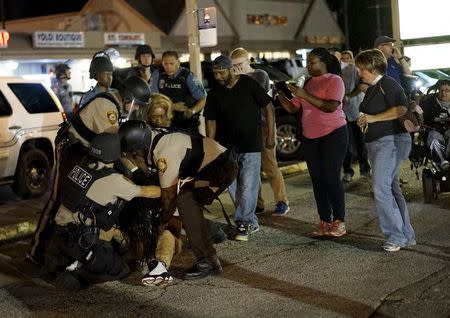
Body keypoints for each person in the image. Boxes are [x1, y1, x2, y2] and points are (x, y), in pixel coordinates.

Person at [29, 61, 123, 265]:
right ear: (95, 75)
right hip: (72, 150)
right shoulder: (98, 99)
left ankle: (75, 249)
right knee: (59, 197)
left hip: (86, 152)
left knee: (84, 199)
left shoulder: (111, 96)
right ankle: (38, 249)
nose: (108, 76)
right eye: (103, 73)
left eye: (110, 73)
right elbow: (110, 134)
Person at [119, 120, 238, 279]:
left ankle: (208, 260)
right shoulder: (154, 139)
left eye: (131, 156)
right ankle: (213, 231)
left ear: (137, 152)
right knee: (181, 201)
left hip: (221, 169)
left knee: (183, 200)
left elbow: (169, 197)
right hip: (211, 165)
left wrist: (162, 222)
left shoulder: (163, 153)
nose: (132, 162)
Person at [44, 132, 162, 290]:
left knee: (106, 231)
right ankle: (77, 272)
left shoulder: (81, 163)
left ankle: (63, 263)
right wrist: (167, 187)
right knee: (123, 269)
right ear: (115, 152)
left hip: (58, 234)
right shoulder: (113, 181)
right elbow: (149, 192)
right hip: (80, 241)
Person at [276, 48, 348, 238]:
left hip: (333, 133)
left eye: (312, 62)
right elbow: (293, 107)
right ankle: (324, 220)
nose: (308, 65)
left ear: (323, 62)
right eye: (307, 62)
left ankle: (339, 221)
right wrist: (279, 94)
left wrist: (303, 94)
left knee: (331, 177)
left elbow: (331, 106)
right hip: (310, 137)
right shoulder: (307, 82)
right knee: (317, 179)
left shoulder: (335, 80)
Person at [204, 55, 275, 241]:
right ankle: (251, 221)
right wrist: (210, 147)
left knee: (248, 185)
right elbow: (210, 121)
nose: (218, 77)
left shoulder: (248, 84)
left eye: (221, 73)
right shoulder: (214, 93)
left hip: (250, 144)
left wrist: (271, 135)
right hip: (225, 147)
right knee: (232, 185)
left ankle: (243, 222)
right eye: (215, 73)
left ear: (230, 69)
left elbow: (268, 106)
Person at [355, 49, 416, 252]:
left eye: (361, 68)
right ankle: (407, 235)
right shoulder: (373, 88)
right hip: (378, 143)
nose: (359, 72)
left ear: (371, 67)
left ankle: (396, 236)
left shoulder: (387, 83)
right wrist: (365, 120)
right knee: (390, 188)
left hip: (390, 142)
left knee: (381, 188)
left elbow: (401, 109)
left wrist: (372, 118)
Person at [230, 47, 289, 216]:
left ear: (247, 61)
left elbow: (257, 98)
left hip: (263, 126)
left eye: (240, 64)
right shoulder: (234, 78)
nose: (237, 68)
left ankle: (282, 200)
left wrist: (240, 78)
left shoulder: (260, 75)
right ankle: (258, 203)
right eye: (234, 66)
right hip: (244, 128)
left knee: (270, 165)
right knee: (249, 168)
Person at [150, 51, 207, 133]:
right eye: (165, 64)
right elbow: (153, 99)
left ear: (178, 63)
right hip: (165, 121)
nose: (168, 67)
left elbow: (203, 98)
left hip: (186, 122)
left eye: (171, 63)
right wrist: (172, 106)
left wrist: (192, 111)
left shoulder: (187, 76)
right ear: (162, 63)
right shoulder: (157, 74)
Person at [339, 50, 371, 183]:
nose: (345, 60)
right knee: (345, 143)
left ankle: (365, 169)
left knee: (361, 141)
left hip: (358, 110)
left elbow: (361, 86)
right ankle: (348, 170)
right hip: (343, 113)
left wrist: (349, 96)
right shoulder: (338, 72)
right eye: (343, 58)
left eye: (348, 58)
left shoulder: (356, 71)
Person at [420, 79, 450, 170]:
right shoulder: (429, 102)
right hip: (434, 131)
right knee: (433, 136)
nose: (444, 93)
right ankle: (443, 162)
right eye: (441, 90)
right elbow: (423, 120)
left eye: (447, 90)